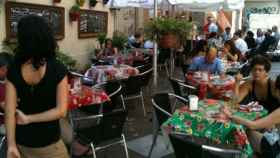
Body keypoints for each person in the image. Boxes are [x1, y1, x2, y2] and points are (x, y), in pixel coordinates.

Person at [5, 15, 69, 158]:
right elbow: (61, 111)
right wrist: (29, 118)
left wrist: (11, 145)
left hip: (22, 143)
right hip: (50, 145)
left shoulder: (14, 69)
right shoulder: (58, 69)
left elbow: (9, 112)